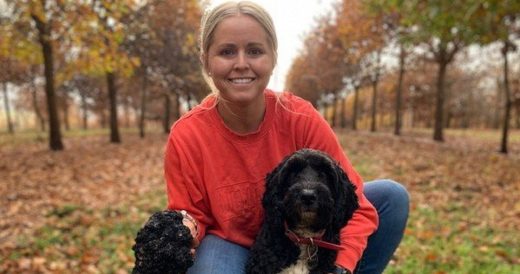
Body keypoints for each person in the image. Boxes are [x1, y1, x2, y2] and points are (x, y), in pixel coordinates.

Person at [164, 1, 409, 273]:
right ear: (206, 60)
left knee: (390, 198)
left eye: (255, 51)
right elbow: (192, 215)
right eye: (227, 52)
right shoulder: (187, 134)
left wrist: (342, 266)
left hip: (302, 233)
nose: (242, 64)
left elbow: (359, 206)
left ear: (273, 58)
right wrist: (182, 230)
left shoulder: (300, 118)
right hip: (230, 244)